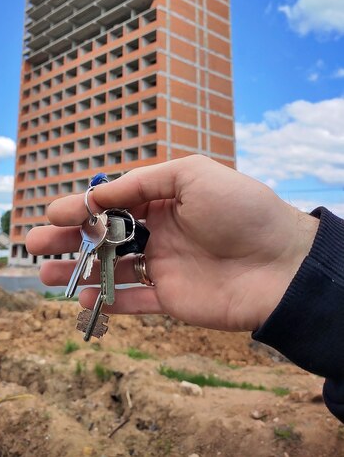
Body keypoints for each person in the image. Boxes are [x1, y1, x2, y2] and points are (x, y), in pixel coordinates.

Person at [26, 154, 344, 423]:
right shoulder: (114, 223)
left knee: (94, 294)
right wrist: (296, 253)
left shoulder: (120, 222)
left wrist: (295, 251)